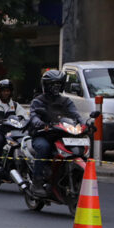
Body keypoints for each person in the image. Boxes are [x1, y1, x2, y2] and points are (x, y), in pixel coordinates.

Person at [27, 69, 84, 197]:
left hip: (62, 134)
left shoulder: (66, 101)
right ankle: (37, 181)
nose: (56, 87)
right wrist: (39, 123)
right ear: (46, 85)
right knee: (44, 147)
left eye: (58, 84)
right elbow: (34, 115)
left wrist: (86, 124)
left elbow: (76, 115)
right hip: (43, 134)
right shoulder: (38, 101)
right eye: (53, 84)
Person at [0, 79, 26, 157]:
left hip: (12, 131)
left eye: (8, 91)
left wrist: (24, 120)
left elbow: (24, 116)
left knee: (22, 141)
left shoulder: (15, 105)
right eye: (4, 91)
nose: (6, 93)